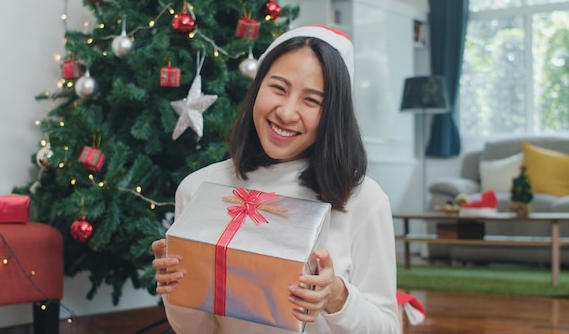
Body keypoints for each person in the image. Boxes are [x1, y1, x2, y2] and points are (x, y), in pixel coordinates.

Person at [151, 24, 400, 334]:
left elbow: (389, 328)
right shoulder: (198, 189)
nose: (286, 112)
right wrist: (177, 291)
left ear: (332, 115)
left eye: (311, 101)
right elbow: (197, 330)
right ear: (257, 88)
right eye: (278, 88)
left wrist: (337, 296)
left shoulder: (363, 199)